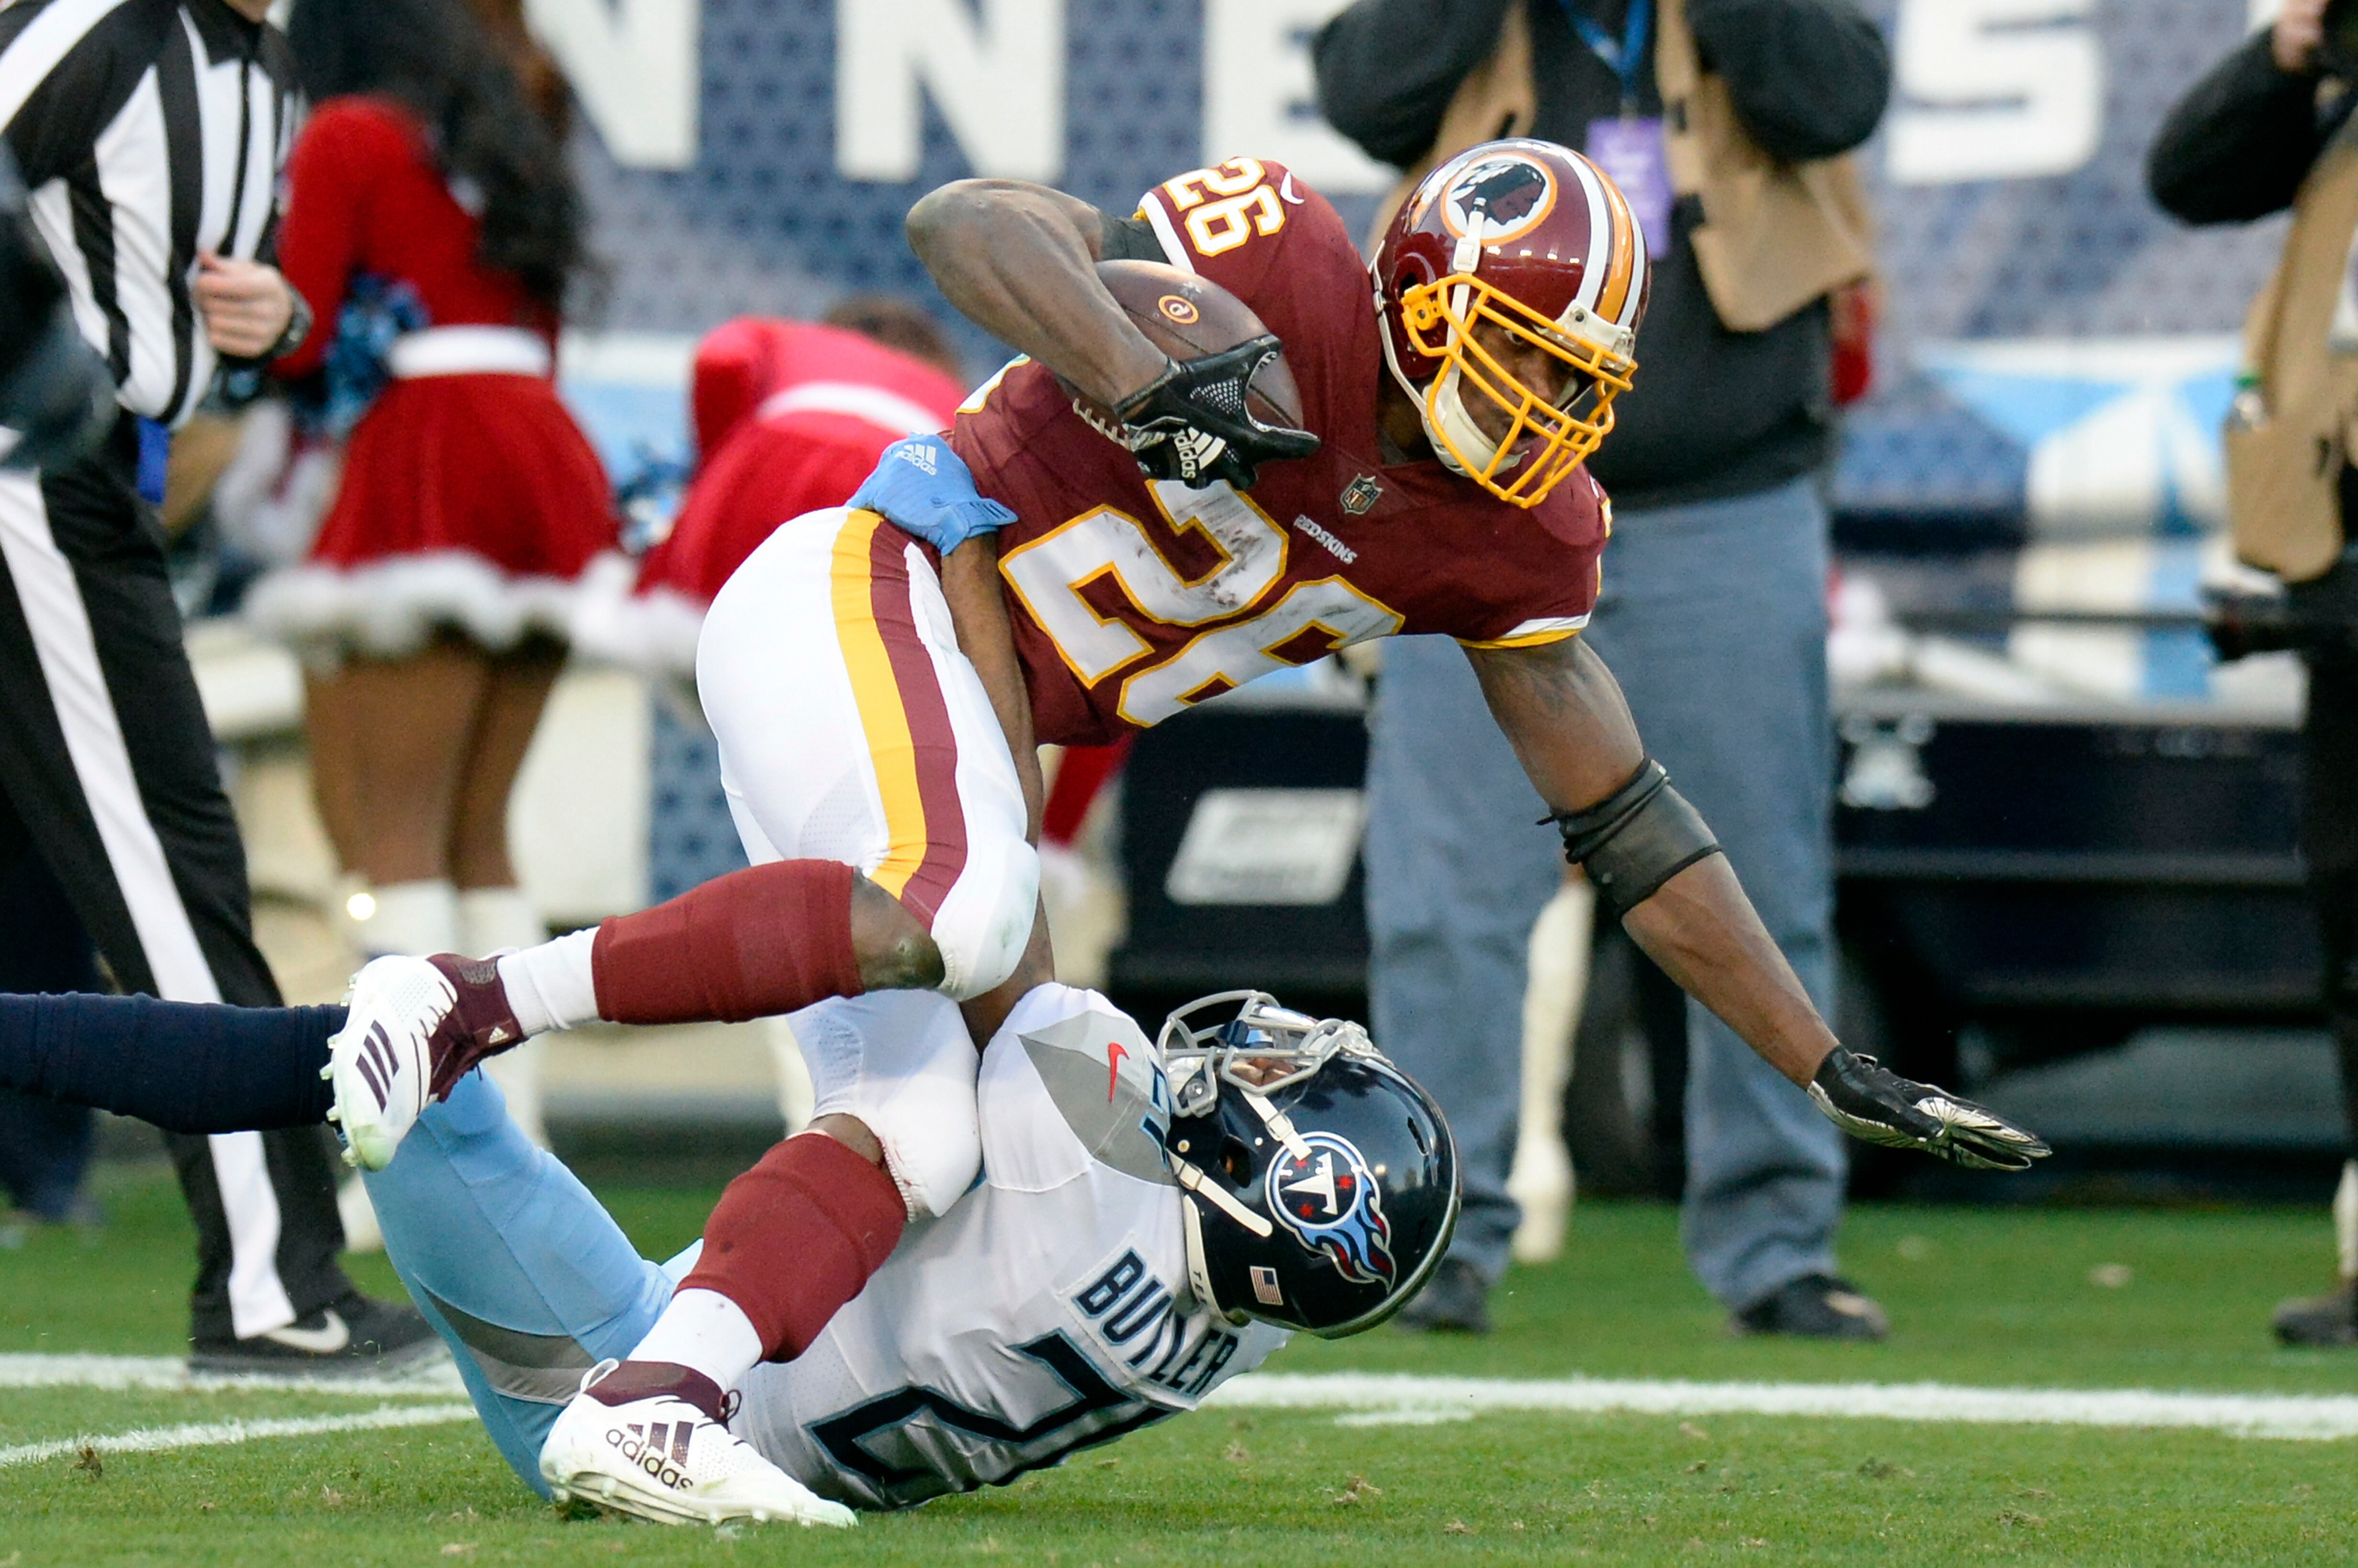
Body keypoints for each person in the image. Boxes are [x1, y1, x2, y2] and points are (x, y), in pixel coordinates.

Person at [321, 141, 2046, 1521]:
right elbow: (968, 222)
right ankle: (466, 1000)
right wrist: (1142, 373)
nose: (1540, 403)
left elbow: (1632, 825)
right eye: (1517, 350)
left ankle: (661, 1388)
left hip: (961, 705)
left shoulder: (1511, 537)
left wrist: (1819, 1060)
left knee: (935, 1110)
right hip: (870, 580)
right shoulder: (1277, 266)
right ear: (1419, 299)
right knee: (963, 911)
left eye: (1571, 375)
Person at [0, 979, 1457, 1522]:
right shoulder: (1245, 1326)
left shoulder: (1076, 1155)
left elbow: (971, 956)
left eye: (1277, 1088)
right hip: (754, 1413)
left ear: (1278, 1178)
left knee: (393, 1053)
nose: (1244, 1068)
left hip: (620, 1377)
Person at [1312, 0, 1891, 1336]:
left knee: (1762, 883)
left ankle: (1777, 1246)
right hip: (1473, 503)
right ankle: (1432, 1235)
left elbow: (1833, 98)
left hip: (1723, 495)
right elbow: (1363, 89)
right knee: (1446, 898)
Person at [0, 0, 430, 1370]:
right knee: (171, 879)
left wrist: (280, 314)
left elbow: (200, 290)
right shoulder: (103, 25)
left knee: (172, 869)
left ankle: (273, 1272)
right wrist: (30, 358)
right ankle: (268, 1284)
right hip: (33, 480)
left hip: (105, 490)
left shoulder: (265, 61)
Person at [239, 0, 616, 1146]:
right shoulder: (515, 129)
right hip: (546, 462)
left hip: (426, 459)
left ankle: (406, 1149)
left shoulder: (351, 133)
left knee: (387, 833)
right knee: (481, 835)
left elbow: (298, 336)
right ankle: (515, 1143)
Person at [2148, 0, 2358, 1347]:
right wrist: (2290, 48)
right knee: (2354, 915)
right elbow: (2191, 175)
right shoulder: (2336, 113)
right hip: (2340, 558)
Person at [574, 303, 968, 678]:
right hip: (892, 495)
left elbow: (721, 357)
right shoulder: (961, 404)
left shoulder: (786, 339)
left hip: (765, 469)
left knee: (701, 649)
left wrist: (716, 462)